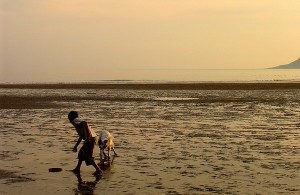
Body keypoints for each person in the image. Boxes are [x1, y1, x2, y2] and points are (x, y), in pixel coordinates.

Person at [68, 111, 102, 176]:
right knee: (81, 154)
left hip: (90, 138)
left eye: (69, 117)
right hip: (90, 138)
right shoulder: (77, 123)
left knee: (87, 156)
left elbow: (85, 123)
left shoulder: (75, 120)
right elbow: (81, 136)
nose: (69, 119)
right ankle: (77, 168)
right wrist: (76, 145)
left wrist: (88, 135)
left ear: (71, 117)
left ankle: (98, 170)